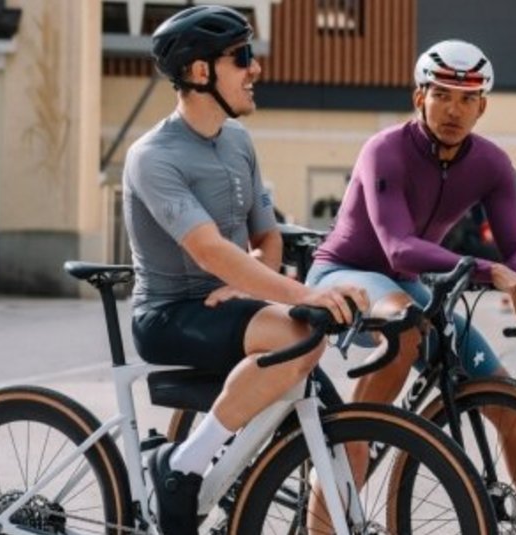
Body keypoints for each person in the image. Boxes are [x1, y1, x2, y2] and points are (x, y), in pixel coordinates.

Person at [123, 7, 366, 533]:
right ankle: (180, 466)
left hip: (229, 306)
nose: (255, 68)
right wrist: (303, 295)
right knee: (297, 335)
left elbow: (266, 238)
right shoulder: (153, 156)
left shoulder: (238, 142)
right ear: (200, 72)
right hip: (168, 314)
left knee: (344, 429)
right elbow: (210, 251)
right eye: (242, 58)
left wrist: (251, 283)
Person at [306, 39, 516, 530]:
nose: (453, 109)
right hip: (344, 273)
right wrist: (495, 272)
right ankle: (333, 494)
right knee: (402, 336)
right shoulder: (385, 150)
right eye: (442, 94)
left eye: (467, 99)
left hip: (407, 286)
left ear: (482, 107)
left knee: (508, 404)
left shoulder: (491, 163)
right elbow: (398, 247)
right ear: (418, 97)